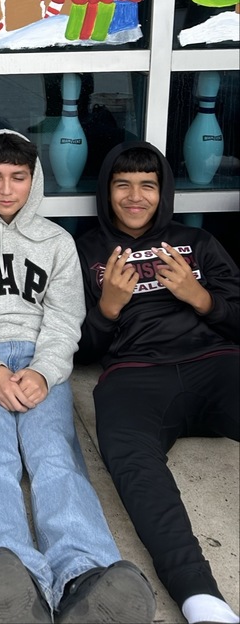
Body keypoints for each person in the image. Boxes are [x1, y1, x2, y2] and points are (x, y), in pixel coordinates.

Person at [0, 130, 155, 624]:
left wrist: (45, 372)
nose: (7, 189)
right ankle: (13, 577)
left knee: (55, 457)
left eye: (18, 177)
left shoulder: (56, 241)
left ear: (35, 179)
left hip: (39, 359)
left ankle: (85, 576)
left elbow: (65, 318)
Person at [76, 141, 239, 624]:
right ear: (106, 191)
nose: (135, 196)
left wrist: (200, 297)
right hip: (135, 374)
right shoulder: (84, 251)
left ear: (163, 190)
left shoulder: (198, 242)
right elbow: (77, 349)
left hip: (216, 362)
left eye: (147, 185)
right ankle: (201, 600)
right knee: (130, 460)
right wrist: (107, 309)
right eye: (122, 184)